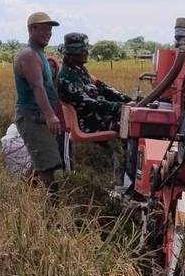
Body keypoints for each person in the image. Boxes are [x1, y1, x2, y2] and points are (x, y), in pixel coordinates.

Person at [13, 11, 62, 186]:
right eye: (43, 29)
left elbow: (48, 85)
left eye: (50, 30)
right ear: (31, 29)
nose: (48, 33)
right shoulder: (29, 55)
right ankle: (54, 209)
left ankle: (22, 192)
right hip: (32, 116)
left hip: (38, 116)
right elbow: (37, 86)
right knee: (47, 165)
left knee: (40, 160)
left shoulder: (39, 54)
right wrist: (50, 115)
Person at [57, 33, 131, 132]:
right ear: (72, 54)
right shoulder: (66, 78)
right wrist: (120, 107)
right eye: (83, 51)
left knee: (134, 116)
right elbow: (90, 104)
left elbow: (103, 88)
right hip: (89, 122)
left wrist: (128, 100)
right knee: (132, 123)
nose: (87, 53)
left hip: (100, 115)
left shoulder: (80, 70)